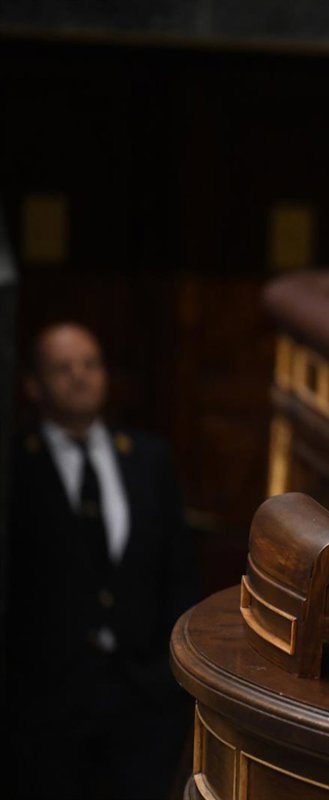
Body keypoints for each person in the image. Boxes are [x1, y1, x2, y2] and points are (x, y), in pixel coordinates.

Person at [4, 322, 200, 799]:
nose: (79, 376)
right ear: (33, 385)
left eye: (90, 364)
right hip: (43, 709)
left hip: (142, 706)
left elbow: (178, 572)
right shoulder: (14, 465)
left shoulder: (148, 458)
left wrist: (167, 677)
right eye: (62, 368)